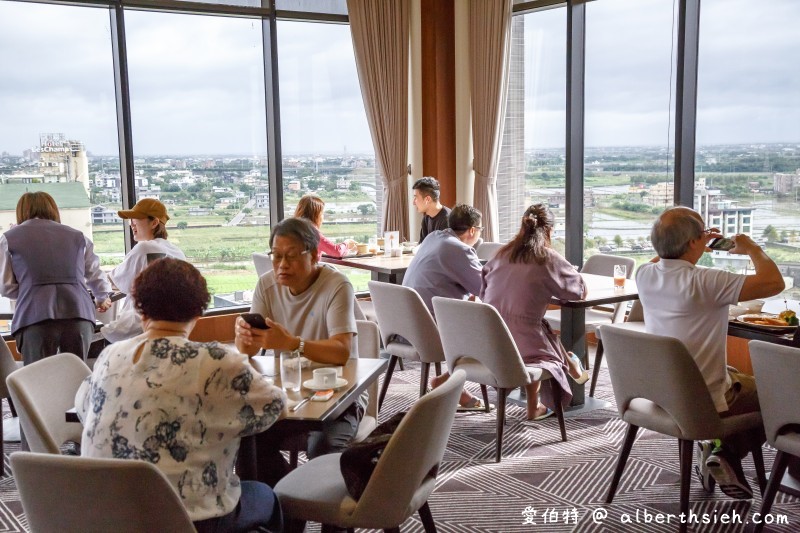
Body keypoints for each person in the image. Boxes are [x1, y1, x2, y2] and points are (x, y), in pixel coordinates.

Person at [76, 258, 285, 532]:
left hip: (105, 517)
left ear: (140, 309)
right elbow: (274, 408)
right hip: (188, 519)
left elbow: (83, 408)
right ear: (199, 311)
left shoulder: (108, 356)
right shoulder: (216, 361)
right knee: (266, 495)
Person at [637, 206, 784, 500]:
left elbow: (663, 259)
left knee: (739, 377)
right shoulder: (707, 281)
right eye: (701, 234)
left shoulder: (644, 275)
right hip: (701, 398)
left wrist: (693, 241)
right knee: (779, 394)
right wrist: (751, 247)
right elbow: (774, 283)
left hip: (660, 391)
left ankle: (716, 452)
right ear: (693, 243)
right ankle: (724, 452)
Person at [235, 217, 360, 486]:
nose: (282, 265)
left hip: (339, 397)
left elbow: (341, 351)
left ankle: (327, 518)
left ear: (315, 254)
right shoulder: (267, 286)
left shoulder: (337, 285)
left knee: (323, 450)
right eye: (276, 256)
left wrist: (293, 343)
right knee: (247, 443)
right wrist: (244, 339)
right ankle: (284, 509)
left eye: (291, 256)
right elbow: (249, 350)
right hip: (289, 397)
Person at [480, 204, 589, 422]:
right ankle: (570, 364)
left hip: (490, 341)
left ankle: (537, 403)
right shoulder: (546, 258)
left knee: (533, 328)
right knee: (536, 335)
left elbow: (483, 292)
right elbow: (579, 292)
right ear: (549, 231)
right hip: (525, 344)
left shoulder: (501, 254)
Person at [0, 191, 111, 365]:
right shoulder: (78, 237)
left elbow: (5, 287)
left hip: (34, 319)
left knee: (39, 381)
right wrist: (102, 297)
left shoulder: (9, 239)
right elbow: (95, 273)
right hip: (79, 315)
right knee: (76, 377)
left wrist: (31, 290)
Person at [402, 203, 489, 410]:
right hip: (429, 330)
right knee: (489, 332)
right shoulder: (459, 249)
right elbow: (485, 289)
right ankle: (451, 382)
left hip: (406, 324)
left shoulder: (433, 238)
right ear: (472, 230)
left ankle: (451, 382)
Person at [102, 198, 186, 342]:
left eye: (136, 219)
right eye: (130, 221)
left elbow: (114, 281)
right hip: (170, 326)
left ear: (154, 223)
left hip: (137, 326)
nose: (132, 224)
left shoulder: (144, 248)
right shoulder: (177, 252)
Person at [294, 193, 356, 259]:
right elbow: (336, 252)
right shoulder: (312, 233)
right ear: (315, 215)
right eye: (322, 213)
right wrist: (347, 243)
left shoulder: (293, 229)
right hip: (308, 269)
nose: (322, 216)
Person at [412, 176, 450, 243]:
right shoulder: (426, 218)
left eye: (416, 198)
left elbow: (444, 250)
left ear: (427, 199)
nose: (413, 202)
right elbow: (422, 245)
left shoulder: (447, 219)